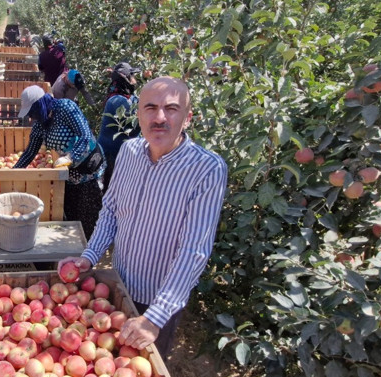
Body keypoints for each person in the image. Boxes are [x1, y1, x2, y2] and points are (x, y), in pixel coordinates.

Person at [58, 77, 228, 357]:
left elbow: (194, 250)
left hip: (158, 299)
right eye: (150, 108)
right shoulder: (129, 152)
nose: (160, 117)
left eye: (171, 109)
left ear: (188, 118)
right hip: (117, 286)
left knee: (143, 372)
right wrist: (89, 256)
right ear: (138, 114)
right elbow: (111, 209)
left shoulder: (207, 169)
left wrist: (156, 317)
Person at [13, 85, 105, 239]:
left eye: (32, 111)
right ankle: (74, 251)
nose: (32, 117)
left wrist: (71, 157)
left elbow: (85, 135)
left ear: (39, 104)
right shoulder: (40, 125)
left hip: (90, 167)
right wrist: (14, 171)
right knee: (72, 213)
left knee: (88, 214)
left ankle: (89, 254)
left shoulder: (65, 107)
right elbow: (30, 152)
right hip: (69, 173)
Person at [97, 62, 141, 188]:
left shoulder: (129, 97)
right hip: (113, 156)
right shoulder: (117, 101)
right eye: (132, 76)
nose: (135, 80)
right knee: (113, 190)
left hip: (122, 155)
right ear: (125, 79)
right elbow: (136, 124)